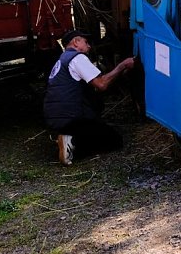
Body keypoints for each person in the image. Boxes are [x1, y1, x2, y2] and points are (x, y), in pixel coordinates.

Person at [43, 29, 136, 165]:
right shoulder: (77, 58)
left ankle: (66, 138)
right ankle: (73, 142)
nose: (89, 46)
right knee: (114, 141)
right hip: (71, 117)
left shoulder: (61, 60)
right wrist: (122, 66)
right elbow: (101, 84)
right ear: (75, 42)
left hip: (55, 117)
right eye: (85, 42)